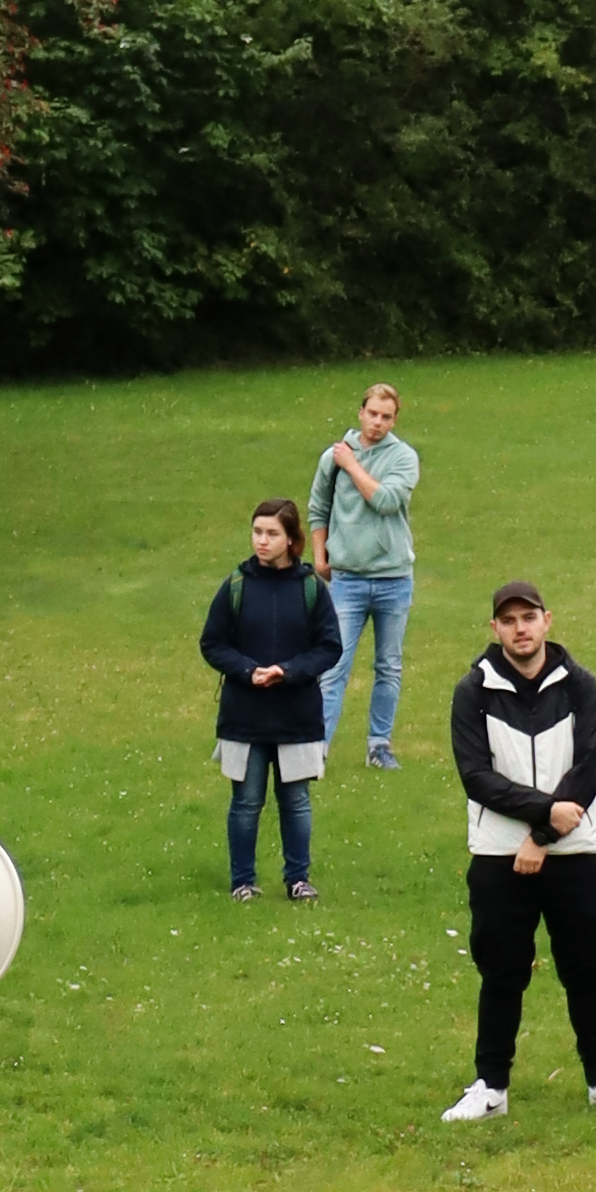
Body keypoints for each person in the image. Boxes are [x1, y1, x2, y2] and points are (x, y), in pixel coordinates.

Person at [442, 586, 596, 1118]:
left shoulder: (581, 686)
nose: (520, 628)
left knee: (585, 968)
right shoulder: (473, 692)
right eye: (508, 620)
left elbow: (590, 768)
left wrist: (541, 837)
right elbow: (476, 776)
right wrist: (542, 815)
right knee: (501, 970)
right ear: (495, 629)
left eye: (528, 617)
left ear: (547, 620)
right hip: (497, 854)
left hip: (575, 851)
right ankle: (490, 1087)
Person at [202, 502, 341, 907]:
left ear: (292, 540)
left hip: (296, 714)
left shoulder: (311, 587)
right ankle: (241, 880)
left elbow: (329, 646)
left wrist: (287, 671)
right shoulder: (236, 585)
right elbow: (213, 643)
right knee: (245, 802)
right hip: (244, 714)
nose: (262, 541)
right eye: (257, 532)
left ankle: (298, 878)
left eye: (272, 533)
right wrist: (249, 671)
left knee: (296, 801)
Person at [309, 383, 421, 766]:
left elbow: (388, 502)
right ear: (361, 413)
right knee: (334, 665)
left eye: (386, 416)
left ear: (394, 420)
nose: (377, 422)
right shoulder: (333, 457)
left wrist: (353, 465)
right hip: (348, 580)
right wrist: (319, 556)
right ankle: (316, 749)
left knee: (388, 665)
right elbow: (317, 507)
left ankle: (379, 745)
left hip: (394, 578)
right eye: (372, 413)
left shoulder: (403, 458)